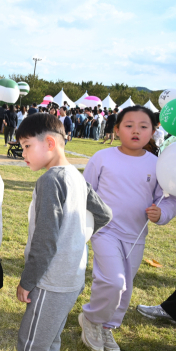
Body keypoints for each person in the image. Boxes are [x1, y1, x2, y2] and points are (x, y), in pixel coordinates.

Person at [79, 106, 176, 351]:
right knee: (113, 281)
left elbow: (167, 197)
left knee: (126, 287)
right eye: (129, 125)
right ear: (116, 129)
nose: (136, 131)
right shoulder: (102, 157)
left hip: (135, 235)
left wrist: (161, 212)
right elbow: (84, 191)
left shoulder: (156, 163)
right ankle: (91, 318)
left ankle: (107, 327)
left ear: (153, 132)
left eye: (143, 126)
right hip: (105, 231)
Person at [14, 113, 112, 351]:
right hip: (72, 279)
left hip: (51, 282)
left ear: (50, 143)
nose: (23, 153)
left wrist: (27, 281)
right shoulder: (76, 177)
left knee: (31, 344)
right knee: (51, 340)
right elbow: (104, 214)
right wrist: (75, 238)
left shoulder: (51, 180)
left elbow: (45, 240)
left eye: (27, 146)